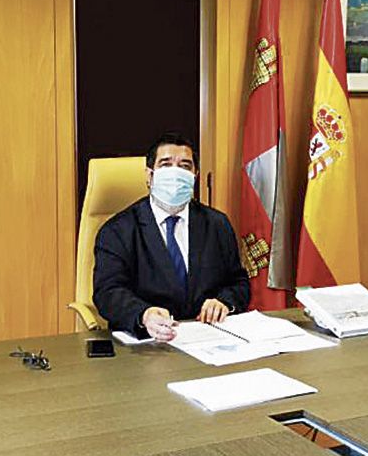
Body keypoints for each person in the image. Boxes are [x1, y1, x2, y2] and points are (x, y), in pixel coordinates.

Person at [93, 132, 250, 341]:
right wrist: (144, 314)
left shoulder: (217, 224)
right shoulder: (117, 231)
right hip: (146, 344)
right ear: (150, 176)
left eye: (185, 166)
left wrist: (224, 302)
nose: (175, 173)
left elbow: (239, 282)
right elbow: (108, 292)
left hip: (209, 339)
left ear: (195, 176)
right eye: (166, 165)